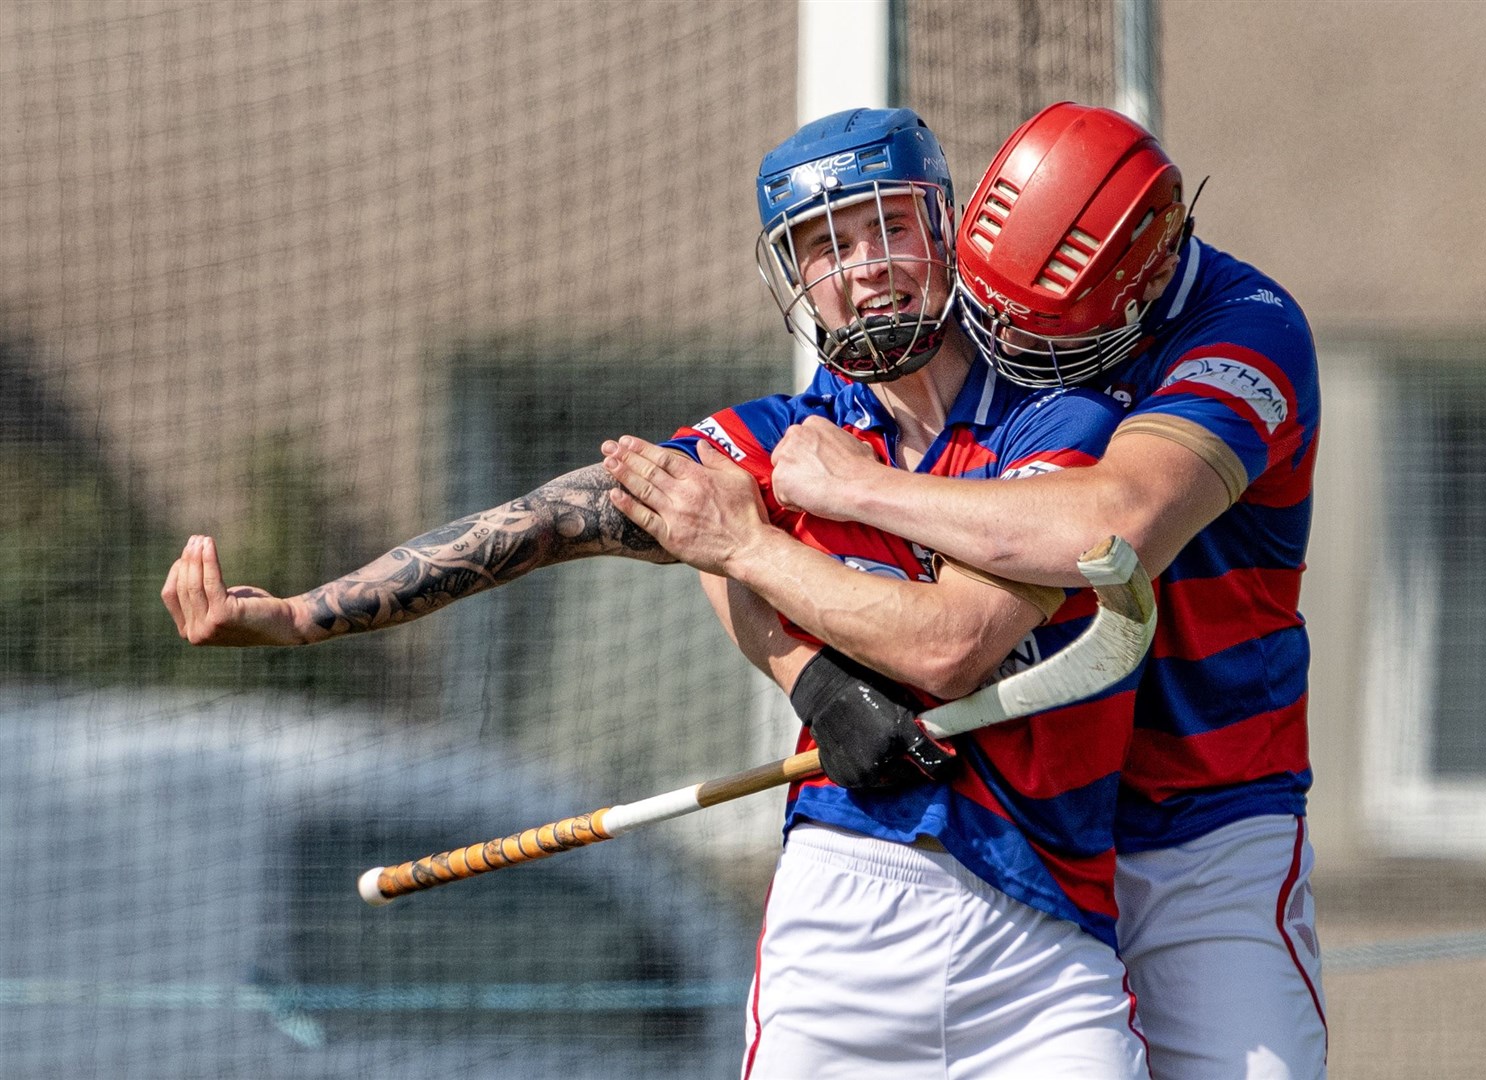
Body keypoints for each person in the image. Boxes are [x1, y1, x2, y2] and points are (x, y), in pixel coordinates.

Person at [163, 108, 1149, 1077]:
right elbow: (544, 522)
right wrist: (304, 616)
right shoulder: (761, 441)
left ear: (943, 229)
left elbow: (951, 647)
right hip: (849, 917)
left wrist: (743, 550)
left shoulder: (1055, 421)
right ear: (798, 278)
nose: (864, 267)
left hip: (1045, 933)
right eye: (824, 247)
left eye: (887, 225)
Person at [741, 103, 1327, 1079]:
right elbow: (723, 516)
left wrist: (855, 487)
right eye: (997, 322)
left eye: (1049, 342)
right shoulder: (1003, 284)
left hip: (1204, 828)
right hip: (1043, 832)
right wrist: (806, 672)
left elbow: (1107, 528)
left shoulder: (1247, 334)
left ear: (1140, 289)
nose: (1009, 357)